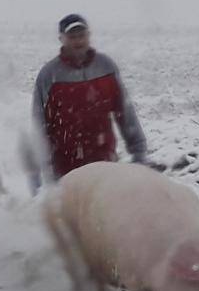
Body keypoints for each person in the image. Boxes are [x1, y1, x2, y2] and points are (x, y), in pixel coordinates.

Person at [30, 13, 149, 186]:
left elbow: (125, 113)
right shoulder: (49, 75)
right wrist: (42, 170)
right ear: (61, 39)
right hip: (64, 169)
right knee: (71, 213)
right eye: (72, 37)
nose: (78, 41)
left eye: (82, 35)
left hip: (103, 162)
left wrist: (138, 152)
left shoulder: (106, 67)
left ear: (89, 36)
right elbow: (39, 123)